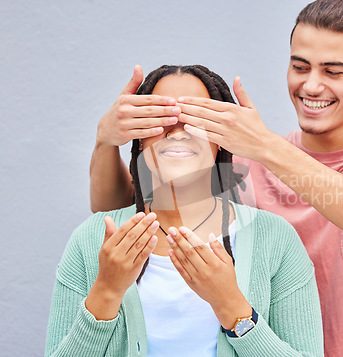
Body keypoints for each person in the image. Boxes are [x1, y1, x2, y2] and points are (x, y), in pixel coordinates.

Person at [88, 1, 343, 356]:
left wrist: (265, 146)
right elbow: (122, 215)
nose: (312, 85)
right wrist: (106, 141)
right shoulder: (248, 162)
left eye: (332, 72)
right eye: (300, 67)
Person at [46, 65, 323, 357]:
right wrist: (106, 291)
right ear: (140, 138)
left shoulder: (275, 239)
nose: (178, 132)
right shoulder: (90, 241)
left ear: (221, 140)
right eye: (161, 119)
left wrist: (232, 308)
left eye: (196, 119)